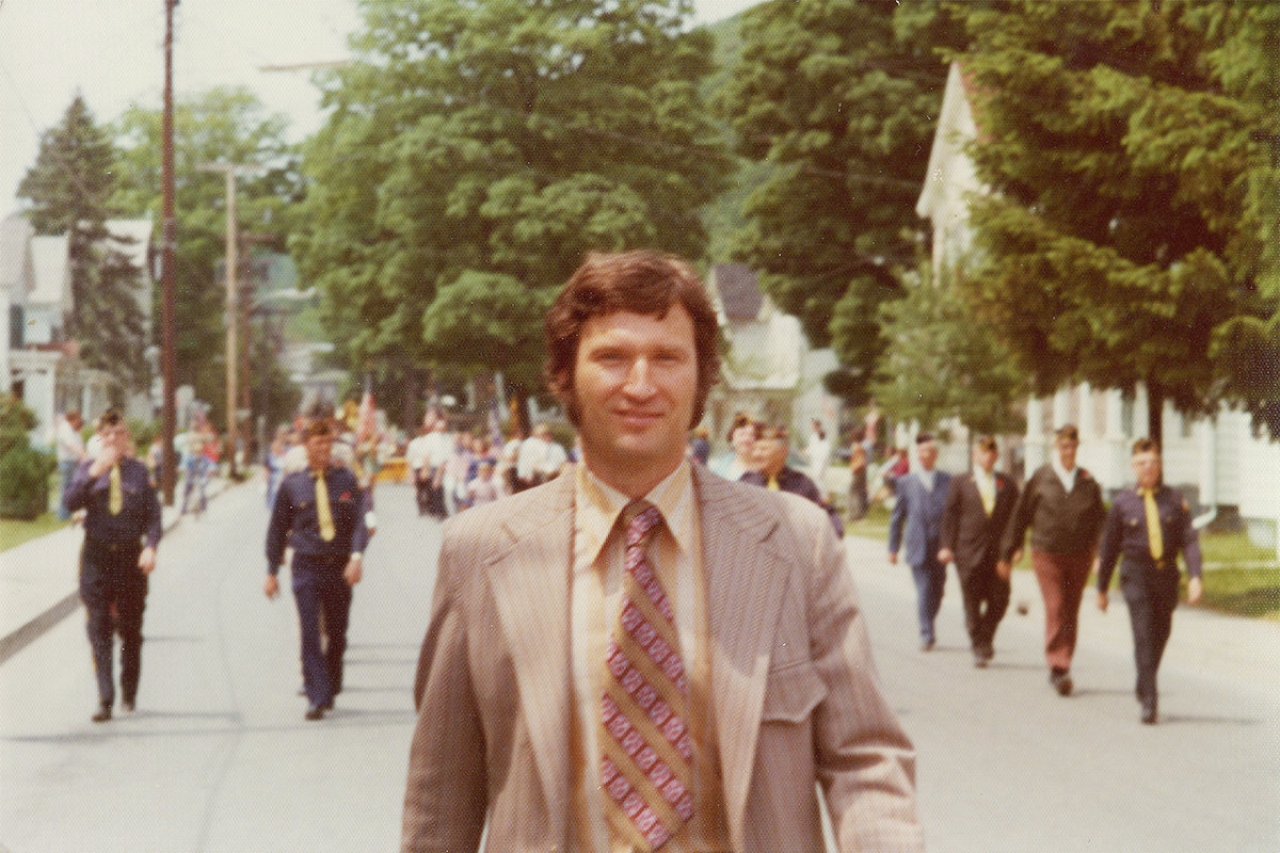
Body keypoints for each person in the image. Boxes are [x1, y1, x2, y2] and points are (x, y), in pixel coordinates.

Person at [401, 250, 921, 853]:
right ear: (565, 375)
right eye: (612, 358)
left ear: (701, 378)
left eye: (668, 358)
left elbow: (864, 761)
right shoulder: (482, 552)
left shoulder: (795, 541)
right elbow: (441, 800)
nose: (641, 385)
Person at [264, 418, 369, 720]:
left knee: (337, 633)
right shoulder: (292, 485)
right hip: (306, 566)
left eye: (327, 442)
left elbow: (359, 522)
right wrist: (271, 571)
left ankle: (330, 684)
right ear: (306, 447)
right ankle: (315, 694)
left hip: (339, 566)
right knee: (310, 631)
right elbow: (277, 529)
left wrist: (356, 557)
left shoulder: (345, 480)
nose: (324, 448)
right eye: (318, 443)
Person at [1096, 438, 1204, 724]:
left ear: (1160, 465)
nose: (1149, 467)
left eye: (1154, 462)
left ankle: (1144, 680)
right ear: (1133, 466)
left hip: (1165, 575)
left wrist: (1195, 576)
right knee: (1143, 634)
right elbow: (1109, 548)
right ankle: (1150, 702)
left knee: (1161, 633)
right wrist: (1101, 588)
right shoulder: (1122, 503)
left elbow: (1189, 540)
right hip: (1136, 575)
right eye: (1142, 463)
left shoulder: (1174, 500)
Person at [63, 410, 161, 722]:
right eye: (107, 434)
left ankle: (129, 691)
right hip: (97, 557)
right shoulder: (86, 469)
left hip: (130, 558)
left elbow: (153, 515)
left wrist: (151, 547)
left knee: (131, 629)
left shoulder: (139, 472)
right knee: (98, 627)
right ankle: (105, 698)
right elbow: (69, 503)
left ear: (127, 437)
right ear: (99, 438)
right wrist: (94, 473)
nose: (113, 439)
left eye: (119, 433)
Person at [1001, 424, 1106, 697]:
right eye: (1063, 446)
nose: (1068, 451)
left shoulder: (1087, 480)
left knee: (1070, 609)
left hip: (1080, 555)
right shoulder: (1041, 477)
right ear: (1055, 447)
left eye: (1072, 446)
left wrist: (1101, 555)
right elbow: (1021, 514)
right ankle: (1058, 665)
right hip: (1047, 554)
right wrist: (1011, 549)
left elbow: (1099, 521)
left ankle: (1063, 664)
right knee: (1056, 606)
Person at [938, 436, 1020, 667]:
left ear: (997, 456)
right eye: (983, 452)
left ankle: (985, 635)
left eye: (992, 452)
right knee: (972, 601)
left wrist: (1017, 547)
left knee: (1000, 599)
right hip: (968, 551)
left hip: (998, 554)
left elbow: (1016, 519)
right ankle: (979, 646)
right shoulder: (961, 482)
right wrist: (946, 546)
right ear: (974, 454)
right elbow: (950, 516)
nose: (988, 456)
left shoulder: (1006, 483)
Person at [887, 434, 953, 651]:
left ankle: (928, 621)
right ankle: (927, 633)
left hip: (940, 547)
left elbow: (954, 516)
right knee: (924, 589)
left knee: (938, 590)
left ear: (935, 455)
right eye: (921, 452)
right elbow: (897, 517)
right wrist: (893, 547)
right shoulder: (906, 483)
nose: (924, 456)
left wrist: (951, 545)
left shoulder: (947, 481)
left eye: (928, 452)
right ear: (917, 455)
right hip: (917, 545)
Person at [741, 423, 844, 536]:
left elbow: (829, 517)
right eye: (755, 449)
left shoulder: (802, 484)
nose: (756, 454)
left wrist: (831, 537)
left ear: (783, 452)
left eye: (763, 449)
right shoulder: (746, 483)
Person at [54, 409, 88, 520]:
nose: (80, 422)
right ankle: (63, 515)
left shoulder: (72, 430)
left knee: (70, 488)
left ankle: (68, 512)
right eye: (78, 419)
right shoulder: (65, 429)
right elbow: (72, 445)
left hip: (73, 462)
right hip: (67, 463)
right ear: (74, 419)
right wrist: (85, 456)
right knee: (67, 489)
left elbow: (79, 444)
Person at [708, 411, 759, 481]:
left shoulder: (763, 467)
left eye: (751, 435)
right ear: (732, 438)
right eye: (742, 434)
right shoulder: (719, 467)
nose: (746, 439)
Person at [805, 418, 832, 492]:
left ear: (817, 426)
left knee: (820, 482)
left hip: (821, 462)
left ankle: (822, 496)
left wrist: (824, 463)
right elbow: (811, 449)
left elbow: (826, 450)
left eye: (813, 425)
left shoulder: (822, 436)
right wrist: (804, 451)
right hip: (815, 462)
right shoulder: (813, 437)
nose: (811, 427)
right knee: (816, 482)